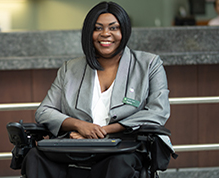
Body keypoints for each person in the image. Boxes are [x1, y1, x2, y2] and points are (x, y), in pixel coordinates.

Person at [21, 1, 171, 178]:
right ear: (89, 33)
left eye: (114, 28)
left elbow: (158, 112)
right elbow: (44, 111)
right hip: (75, 145)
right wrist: (80, 125)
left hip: (123, 148)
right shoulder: (70, 68)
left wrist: (103, 130)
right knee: (34, 157)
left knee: (119, 162)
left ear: (124, 31)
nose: (106, 34)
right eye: (98, 28)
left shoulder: (149, 65)